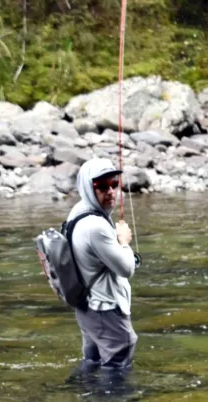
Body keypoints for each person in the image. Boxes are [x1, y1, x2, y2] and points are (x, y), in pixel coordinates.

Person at [67, 158, 138, 387]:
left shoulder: (78, 212)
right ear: (89, 187)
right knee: (118, 364)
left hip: (87, 307)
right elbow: (126, 269)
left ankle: (73, 389)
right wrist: (124, 241)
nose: (110, 192)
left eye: (114, 185)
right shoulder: (95, 226)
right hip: (106, 310)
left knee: (93, 360)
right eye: (102, 186)